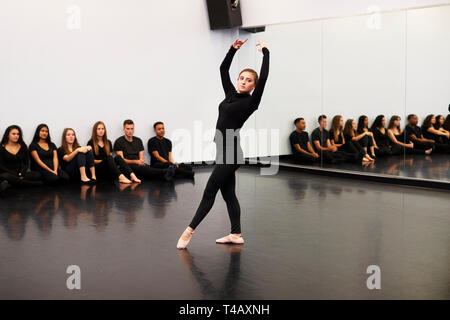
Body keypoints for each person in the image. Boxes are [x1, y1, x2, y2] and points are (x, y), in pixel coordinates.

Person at [177, 37, 270, 249]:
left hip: (232, 153)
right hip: (221, 149)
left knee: (209, 190)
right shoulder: (230, 94)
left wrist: (266, 54)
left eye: (248, 80)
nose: (243, 82)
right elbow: (222, 69)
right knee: (229, 195)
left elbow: (264, 78)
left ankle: (189, 231)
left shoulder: (251, 102)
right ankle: (236, 234)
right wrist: (232, 49)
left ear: (253, 86)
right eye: (242, 78)